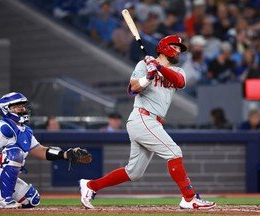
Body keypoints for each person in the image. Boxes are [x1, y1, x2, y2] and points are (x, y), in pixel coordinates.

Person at [79, 35, 216, 210]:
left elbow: (180, 82)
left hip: (154, 122)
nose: (179, 52)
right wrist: (148, 77)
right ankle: (189, 198)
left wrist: (158, 66)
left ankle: (91, 186)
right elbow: (133, 88)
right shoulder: (143, 65)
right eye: (176, 48)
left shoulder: (178, 71)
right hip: (142, 117)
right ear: (166, 48)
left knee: (133, 172)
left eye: (180, 49)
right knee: (174, 152)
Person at [0, 92, 92, 209]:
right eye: (17, 106)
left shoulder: (25, 130)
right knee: (15, 153)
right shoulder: (1, 127)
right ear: (6, 109)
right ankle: (4, 200)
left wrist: (65, 155)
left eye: (23, 105)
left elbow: (40, 150)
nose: (22, 108)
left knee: (32, 199)